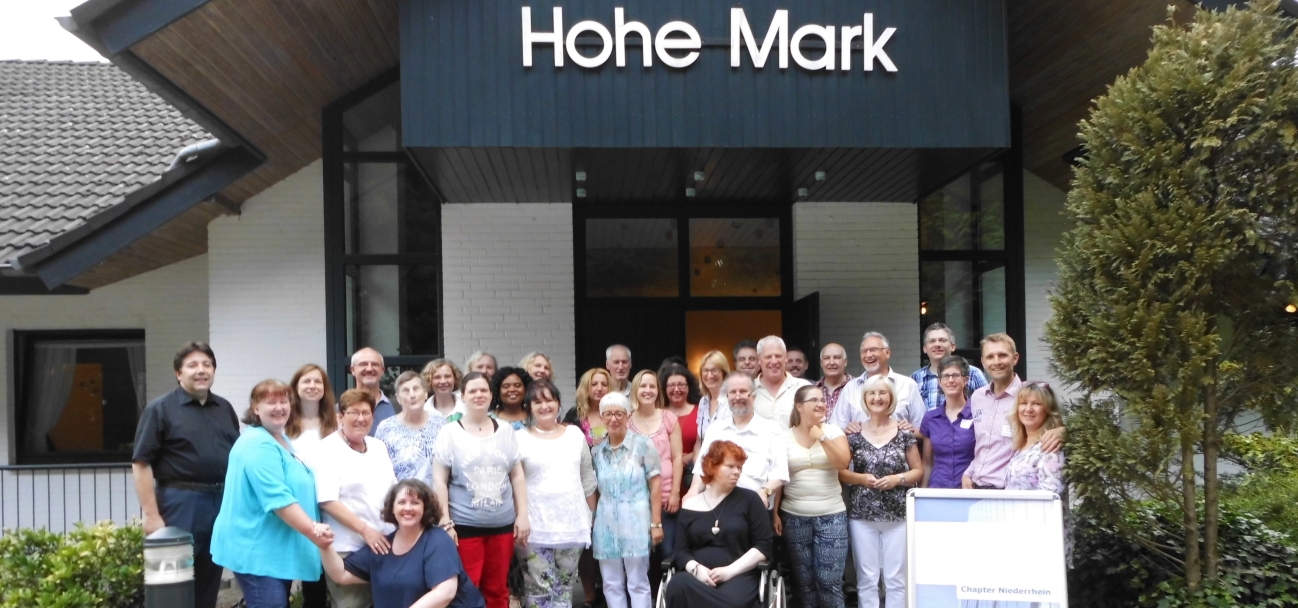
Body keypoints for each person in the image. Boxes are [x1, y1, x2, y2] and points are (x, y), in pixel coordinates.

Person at [131, 342, 238, 608]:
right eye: (192, 365)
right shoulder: (160, 409)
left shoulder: (224, 408)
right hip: (180, 503)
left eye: (207, 365)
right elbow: (141, 463)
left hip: (220, 504)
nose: (201, 370)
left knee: (209, 582)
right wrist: (151, 514)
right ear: (178, 373)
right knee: (173, 586)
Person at [211, 380, 331, 608]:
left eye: (284, 401)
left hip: (272, 549)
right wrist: (312, 529)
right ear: (256, 408)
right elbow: (278, 499)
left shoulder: (279, 438)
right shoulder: (258, 445)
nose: (279, 407)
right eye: (271, 402)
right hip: (256, 551)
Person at [433, 372, 530, 608]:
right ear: (462, 396)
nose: (479, 395)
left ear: (491, 395)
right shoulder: (449, 432)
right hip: (464, 526)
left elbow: (517, 475)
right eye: (473, 391)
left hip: (502, 525)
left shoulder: (505, 430)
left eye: (483, 390)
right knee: (467, 589)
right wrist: (445, 522)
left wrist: (523, 515)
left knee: (498, 589)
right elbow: (439, 480)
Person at [320, 479, 487, 608]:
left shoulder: (438, 540)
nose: (408, 508)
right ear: (392, 508)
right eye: (401, 502)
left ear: (425, 508)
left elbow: (445, 593)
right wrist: (324, 546)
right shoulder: (383, 545)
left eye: (415, 503)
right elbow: (341, 574)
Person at [840, 375, 922, 608]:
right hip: (861, 515)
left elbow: (918, 470)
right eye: (871, 393)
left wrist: (898, 479)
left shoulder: (904, 432)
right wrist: (861, 479)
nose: (877, 398)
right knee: (867, 577)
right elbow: (841, 472)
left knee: (896, 577)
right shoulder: (853, 434)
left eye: (882, 393)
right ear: (865, 399)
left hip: (898, 515)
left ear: (891, 398)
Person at [516, 379, 599, 608]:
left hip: (572, 525)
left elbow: (587, 478)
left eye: (549, 400)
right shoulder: (520, 438)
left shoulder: (574, 434)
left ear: (558, 403)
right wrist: (519, 518)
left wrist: (591, 517)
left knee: (564, 590)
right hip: (534, 528)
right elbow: (515, 483)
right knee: (538, 591)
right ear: (529, 407)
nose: (544, 406)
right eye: (537, 402)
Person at [314, 389, 399, 608]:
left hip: (385, 543)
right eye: (354, 412)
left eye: (366, 412)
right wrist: (365, 531)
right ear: (340, 416)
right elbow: (328, 501)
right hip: (348, 548)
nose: (361, 418)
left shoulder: (378, 446)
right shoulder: (327, 449)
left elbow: (393, 490)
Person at [665, 441, 774, 608]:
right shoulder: (690, 505)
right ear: (712, 467)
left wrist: (729, 571)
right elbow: (681, 551)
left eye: (739, 467)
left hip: (739, 575)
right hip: (696, 576)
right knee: (677, 586)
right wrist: (697, 570)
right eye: (730, 466)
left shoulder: (750, 500)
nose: (737, 471)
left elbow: (763, 546)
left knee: (733, 602)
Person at [773, 386, 850, 608]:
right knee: (803, 582)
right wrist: (775, 513)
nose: (820, 404)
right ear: (799, 406)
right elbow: (779, 478)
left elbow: (842, 463)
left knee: (829, 581)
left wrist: (822, 437)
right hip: (794, 516)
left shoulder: (833, 431)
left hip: (831, 515)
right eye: (814, 400)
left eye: (822, 400)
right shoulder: (783, 437)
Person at [962, 334, 1065, 490]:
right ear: (983, 362)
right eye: (990, 357)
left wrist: (1063, 431)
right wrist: (969, 472)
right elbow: (982, 444)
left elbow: (1054, 421)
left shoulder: (1028, 398)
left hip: (1008, 489)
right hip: (976, 487)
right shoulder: (977, 397)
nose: (996, 361)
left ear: (1015, 358)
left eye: (1002, 355)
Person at [590, 392, 663, 608]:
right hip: (605, 525)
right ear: (602, 418)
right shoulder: (597, 452)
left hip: (636, 523)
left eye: (619, 414)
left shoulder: (643, 445)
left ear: (628, 416)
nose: (614, 419)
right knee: (611, 583)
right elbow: (595, 490)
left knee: (638, 581)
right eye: (608, 414)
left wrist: (656, 524)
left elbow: (655, 485)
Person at [685, 373, 788, 509]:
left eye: (743, 391)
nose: (737, 397)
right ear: (727, 396)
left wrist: (764, 492)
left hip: (755, 508)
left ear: (754, 396)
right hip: (716, 507)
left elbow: (780, 473)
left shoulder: (772, 430)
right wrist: (693, 492)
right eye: (733, 392)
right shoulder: (715, 429)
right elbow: (701, 469)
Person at [287, 363, 339, 608]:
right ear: (296, 387)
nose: (312, 386)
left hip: (326, 506)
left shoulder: (335, 424)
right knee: (286, 570)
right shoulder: (285, 424)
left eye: (317, 381)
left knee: (316, 578)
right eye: (306, 381)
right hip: (293, 505)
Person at [627, 369, 682, 598]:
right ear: (635, 390)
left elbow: (677, 457)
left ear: (658, 390)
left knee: (667, 551)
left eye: (652, 386)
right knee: (642, 555)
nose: (647, 390)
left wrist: (675, 492)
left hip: (667, 495)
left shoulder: (669, 418)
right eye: (643, 386)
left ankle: (670, 597)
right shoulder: (627, 421)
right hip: (638, 499)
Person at [1004, 381, 1071, 564]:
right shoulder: (1022, 445)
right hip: (1019, 536)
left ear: (1048, 410)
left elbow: (1051, 494)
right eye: (1024, 403)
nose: (1028, 409)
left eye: (1036, 404)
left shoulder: (1050, 446)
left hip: (1041, 541)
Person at [829, 332, 925, 432]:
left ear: (887, 353)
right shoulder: (850, 387)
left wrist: (907, 430)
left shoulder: (908, 385)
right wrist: (847, 429)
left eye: (873, 350)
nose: (868, 355)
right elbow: (835, 429)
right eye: (864, 351)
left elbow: (924, 430)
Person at [376, 372, 447, 486]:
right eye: (406, 391)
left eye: (416, 389)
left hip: (435, 494)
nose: (412, 395)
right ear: (398, 398)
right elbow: (378, 468)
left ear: (425, 394)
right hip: (399, 494)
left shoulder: (441, 424)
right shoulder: (385, 428)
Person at [917, 356, 976, 489]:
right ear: (939, 381)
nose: (950, 380)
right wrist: (923, 494)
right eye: (945, 376)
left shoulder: (977, 415)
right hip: (938, 489)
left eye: (956, 375)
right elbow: (927, 463)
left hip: (969, 490)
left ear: (966, 380)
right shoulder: (930, 418)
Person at [911, 323, 988, 413]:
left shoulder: (973, 373)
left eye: (942, 340)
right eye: (932, 341)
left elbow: (988, 404)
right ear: (924, 348)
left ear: (952, 346)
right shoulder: (916, 378)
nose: (937, 344)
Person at [752, 335, 811, 427]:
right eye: (768, 357)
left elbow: (816, 422)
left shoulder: (804, 388)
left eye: (778, 356)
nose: (774, 361)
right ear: (759, 360)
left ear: (785, 358)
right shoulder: (748, 390)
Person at [661, 365, 701, 489]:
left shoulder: (701, 411)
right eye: (671, 385)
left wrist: (687, 458)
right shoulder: (657, 414)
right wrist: (675, 458)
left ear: (689, 387)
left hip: (693, 477)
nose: (676, 389)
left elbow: (707, 442)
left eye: (681, 385)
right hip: (664, 480)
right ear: (664, 388)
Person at [351, 347, 397, 435]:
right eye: (363, 364)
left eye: (375, 364)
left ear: (382, 370)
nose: (369, 369)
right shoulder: (339, 409)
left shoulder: (398, 408)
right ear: (353, 370)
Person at [566, 367, 612, 446]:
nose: (599, 388)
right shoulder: (574, 414)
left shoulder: (617, 414)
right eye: (594, 384)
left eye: (604, 384)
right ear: (585, 388)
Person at [694, 351, 731, 448]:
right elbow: (699, 441)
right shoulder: (703, 401)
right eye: (706, 370)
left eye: (714, 370)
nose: (709, 375)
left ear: (724, 373)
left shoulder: (732, 401)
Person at [422, 358, 467, 423]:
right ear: (429, 381)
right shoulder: (422, 412)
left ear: (455, 378)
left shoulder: (467, 409)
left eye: (447, 376)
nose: (443, 381)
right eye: (437, 377)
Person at [813, 343, 850, 422]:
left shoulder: (857, 387)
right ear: (821, 363)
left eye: (837, 357)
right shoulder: (812, 390)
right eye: (827, 358)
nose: (832, 362)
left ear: (845, 362)